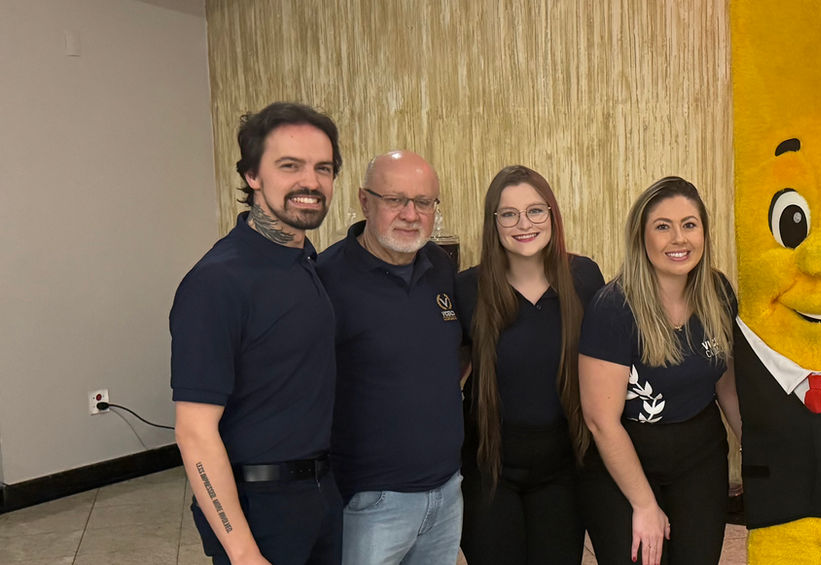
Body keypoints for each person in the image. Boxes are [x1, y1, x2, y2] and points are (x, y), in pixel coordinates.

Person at [171, 101, 344, 565]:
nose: (311, 182)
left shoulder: (306, 263)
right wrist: (243, 551)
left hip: (321, 496)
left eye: (323, 168)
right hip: (258, 508)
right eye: (290, 166)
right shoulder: (217, 282)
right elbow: (194, 432)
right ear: (252, 175)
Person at [577, 177, 743, 565]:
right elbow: (600, 421)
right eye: (663, 226)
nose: (678, 238)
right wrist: (645, 505)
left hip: (700, 456)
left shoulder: (718, 292)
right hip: (626, 459)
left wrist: (750, 441)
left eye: (689, 224)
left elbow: (724, 379)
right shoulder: (613, 308)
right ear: (642, 236)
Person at [315, 150, 465, 565]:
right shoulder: (325, 279)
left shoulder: (439, 266)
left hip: (446, 491)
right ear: (365, 201)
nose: (410, 215)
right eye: (395, 200)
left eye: (424, 202)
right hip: (370, 500)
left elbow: (456, 351)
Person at [455, 165, 604, 564]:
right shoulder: (467, 288)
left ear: (552, 215)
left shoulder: (584, 277)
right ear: (494, 222)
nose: (524, 224)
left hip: (563, 467)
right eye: (509, 214)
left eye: (535, 210)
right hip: (489, 467)